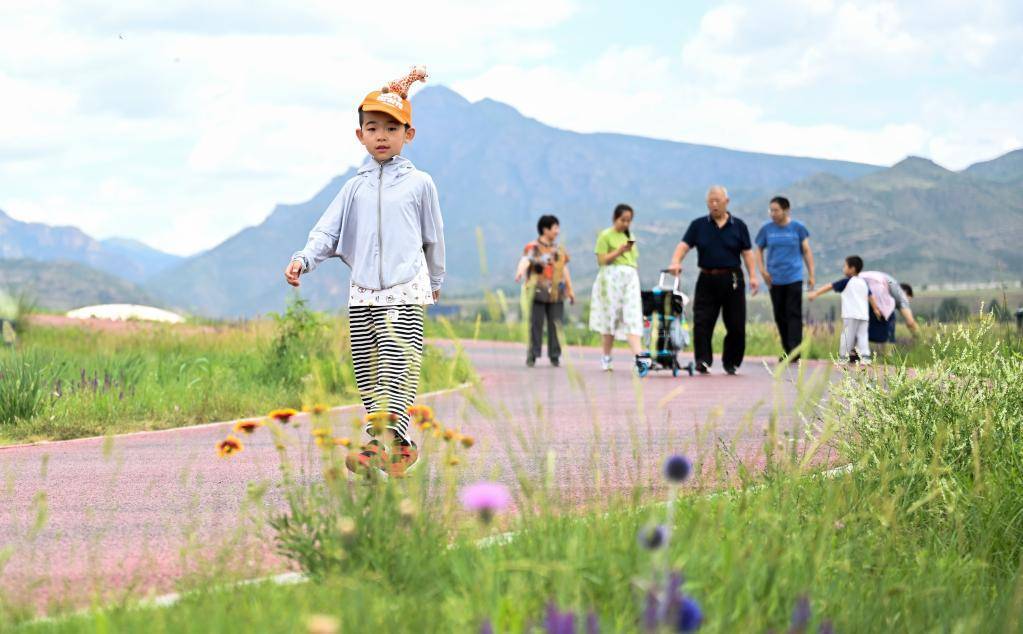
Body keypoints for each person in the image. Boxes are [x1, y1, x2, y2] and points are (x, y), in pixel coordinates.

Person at [285, 66, 444, 478]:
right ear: (360, 136)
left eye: (392, 128)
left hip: (405, 288)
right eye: (372, 127)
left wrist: (435, 280)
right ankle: (397, 445)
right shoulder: (353, 187)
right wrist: (304, 258)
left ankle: (385, 444)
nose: (381, 135)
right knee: (367, 366)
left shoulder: (420, 183)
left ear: (408, 134)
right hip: (363, 292)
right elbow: (328, 229)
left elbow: (433, 237)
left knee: (397, 362)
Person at [667, 186, 759, 375]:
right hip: (707, 278)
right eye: (711, 201)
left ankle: (731, 362)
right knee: (702, 321)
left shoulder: (739, 225)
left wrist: (753, 276)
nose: (714, 204)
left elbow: (748, 253)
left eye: (718, 200)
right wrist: (675, 262)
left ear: (727, 201)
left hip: (732, 278)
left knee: (736, 324)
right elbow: (683, 246)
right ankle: (703, 360)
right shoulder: (698, 225)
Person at [589, 204, 651, 374]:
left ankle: (638, 356)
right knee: (610, 318)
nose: (625, 224)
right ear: (615, 218)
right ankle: (606, 356)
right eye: (623, 220)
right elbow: (602, 260)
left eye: (629, 221)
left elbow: (633, 259)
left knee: (632, 315)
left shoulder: (630, 235)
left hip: (629, 277)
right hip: (611, 278)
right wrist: (619, 251)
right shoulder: (605, 235)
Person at [755, 196, 814, 361]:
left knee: (793, 313)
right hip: (774, 279)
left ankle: (795, 351)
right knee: (780, 315)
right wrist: (762, 271)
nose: (772, 213)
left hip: (794, 277)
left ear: (786, 210)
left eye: (776, 210)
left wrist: (811, 275)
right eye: (771, 210)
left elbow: (807, 251)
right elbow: (758, 249)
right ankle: (787, 349)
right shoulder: (767, 229)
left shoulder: (798, 228)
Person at [515, 214, 575, 367]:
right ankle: (532, 355)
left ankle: (555, 356)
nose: (557, 231)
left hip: (557, 292)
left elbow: (564, 269)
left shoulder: (559, 249)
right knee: (536, 324)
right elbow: (525, 260)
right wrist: (520, 272)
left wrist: (570, 289)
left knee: (556, 325)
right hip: (537, 292)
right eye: (555, 228)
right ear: (545, 229)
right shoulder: (532, 247)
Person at [807, 256, 882, 365]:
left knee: (847, 335)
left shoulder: (847, 281)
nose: (843, 269)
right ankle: (865, 357)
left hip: (851, 313)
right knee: (863, 336)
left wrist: (816, 293)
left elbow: (830, 286)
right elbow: (871, 297)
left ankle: (843, 357)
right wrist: (876, 309)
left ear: (852, 269)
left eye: (845, 266)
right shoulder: (864, 282)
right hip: (864, 315)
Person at [860, 271, 919, 349]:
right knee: (889, 319)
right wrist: (919, 337)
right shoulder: (901, 294)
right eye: (908, 299)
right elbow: (910, 322)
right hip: (875, 287)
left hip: (857, 282)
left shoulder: (892, 284)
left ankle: (854, 352)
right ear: (906, 293)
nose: (907, 303)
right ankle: (887, 354)